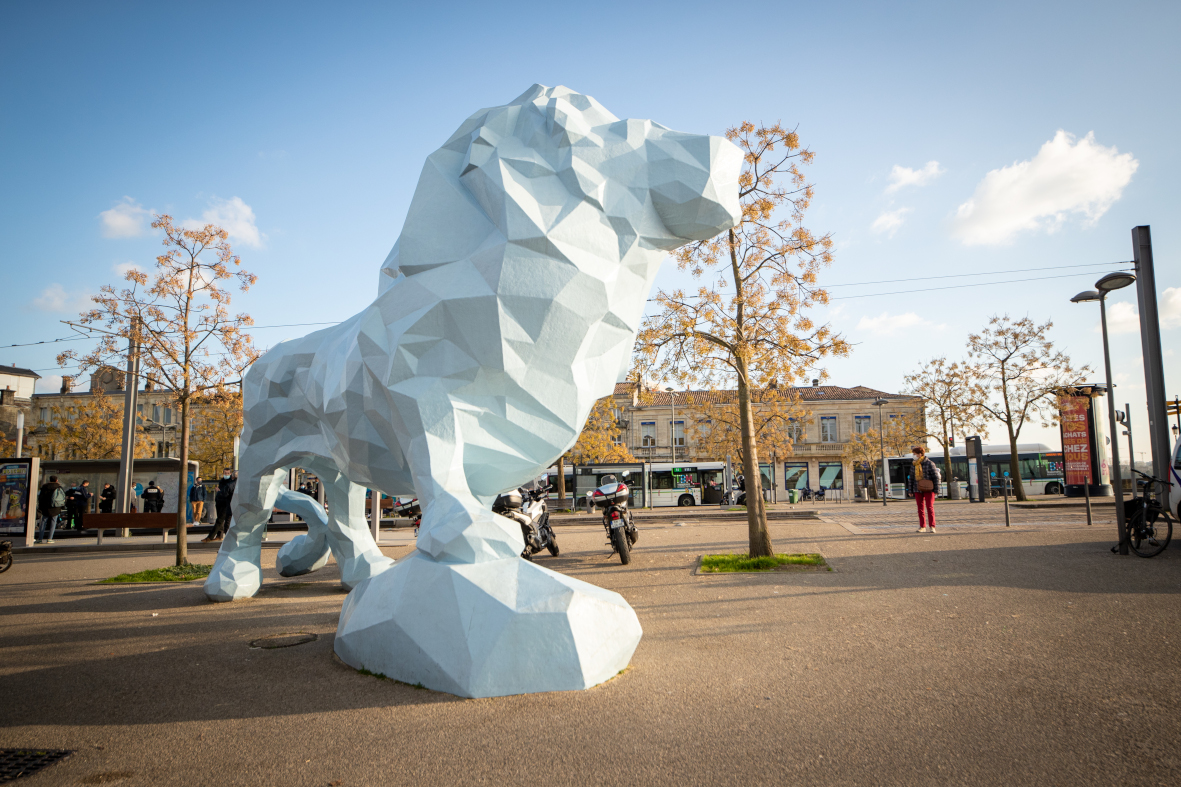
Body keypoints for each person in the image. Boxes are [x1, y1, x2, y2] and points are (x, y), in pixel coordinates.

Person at [912, 445, 940, 533]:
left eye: (915, 454)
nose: (913, 455)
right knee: (920, 508)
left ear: (920, 454)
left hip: (929, 488)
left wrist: (936, 489)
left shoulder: (930, 463)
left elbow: (936, 477)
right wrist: (910, 490)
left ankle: (932, 526)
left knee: (929, 507)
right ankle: (922, 526)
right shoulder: (914, 464)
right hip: (918, 488)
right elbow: (911, 478)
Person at [206, 469, 236, 542]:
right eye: (225, 473)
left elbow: (226, 493)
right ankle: (219, 535)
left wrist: (219, 492)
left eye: (228, 473)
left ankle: (211, 536)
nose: (227, 474)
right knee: (221, 519)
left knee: (220, 520)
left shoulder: (230, 483)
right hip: (219, 501)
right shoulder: (222, 481)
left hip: (226, 503)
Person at [36, 475, 65, 544]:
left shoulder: (44, 487)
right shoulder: (59, 487)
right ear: (56, 480)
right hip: (55, 507)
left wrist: (40, 507)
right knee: (53, 522)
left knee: (43, 522)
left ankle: (40, 538)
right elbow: (63, 497)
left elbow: (40, 498)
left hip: (46, 507)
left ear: (49, 480)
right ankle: (50, 538)